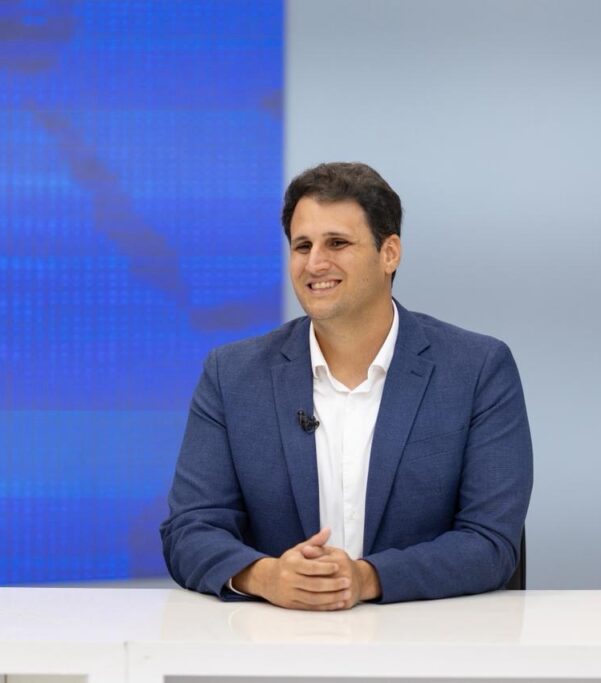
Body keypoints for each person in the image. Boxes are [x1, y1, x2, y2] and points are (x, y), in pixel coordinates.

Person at [160, 162, 532, 608]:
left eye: (337, 243)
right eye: (302, 246)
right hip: (276, 639)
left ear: (389, 253)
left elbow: (491, 542)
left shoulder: (477, 370)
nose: (315, 263)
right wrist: (266, 576)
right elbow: (190, 530)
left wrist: (366, 578)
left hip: (425, 637)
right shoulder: (232, 375)